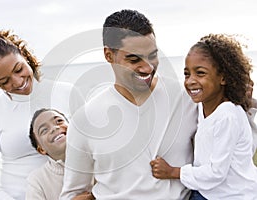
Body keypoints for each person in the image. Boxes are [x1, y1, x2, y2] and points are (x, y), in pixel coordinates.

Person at [60, 9, 198, 199]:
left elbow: (229, 152)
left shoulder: (186, 98)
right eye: (134, 59)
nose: (147, 67)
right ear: (109, 56)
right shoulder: (84, 120)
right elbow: (71, 195)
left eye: (152, 56)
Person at [0, 29, 82, 200]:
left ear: (25, 56)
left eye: (18, 69)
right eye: (4, 82)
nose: (17, 82)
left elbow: (94, 147)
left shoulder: (67, 92)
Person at [150, 33, 257, 199]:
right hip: (207, 191)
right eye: (187, 74)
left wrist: (173, 171)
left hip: (233, 195)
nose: (190, 81)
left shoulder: (227, 115)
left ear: (223, 77)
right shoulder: (202, 105)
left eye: (200, 73)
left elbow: (216, 173)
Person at [26, 108, 95, 200]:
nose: (54, 128)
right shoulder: (37, 180)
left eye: (59, 121)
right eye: (44, 130)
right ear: (41, 149)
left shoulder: (97, 156)